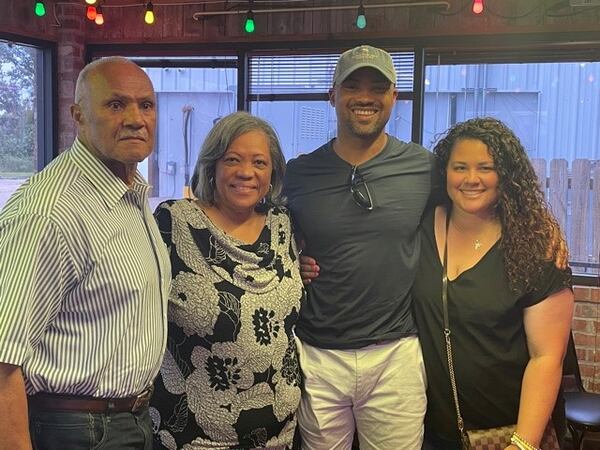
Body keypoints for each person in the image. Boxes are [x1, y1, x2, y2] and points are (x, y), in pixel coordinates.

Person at [0, 56, 171, 450]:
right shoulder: (51, 212)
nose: (135, 118)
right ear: (77, 115)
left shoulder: (128, 189)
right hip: (76, 429)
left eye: (146, 105)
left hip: (130, 418)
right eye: (116, 105)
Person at [283, 45, 434, 450]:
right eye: (352, 85)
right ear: (332, 95)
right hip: (318, 354)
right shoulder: (298, 173)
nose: (365, 96)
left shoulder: (423, 167)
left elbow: (473, 211)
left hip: (395, 354)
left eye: (377, 87)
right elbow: (259, 231)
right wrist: (290, 262)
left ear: (393, 97)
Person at [412, 117, 574, 450]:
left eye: (485, 168)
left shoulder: (534, 248)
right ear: (444, 172)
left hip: (509, 432)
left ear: (506, 176)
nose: (471, 179)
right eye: (460, 167)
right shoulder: (420, 223)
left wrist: (524, 443)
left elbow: (546, 358)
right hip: (431, 430)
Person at [150, 111, 305, 450]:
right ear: (212, 166)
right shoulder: (173, 221)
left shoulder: (284, 225)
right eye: (232, 159)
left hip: (279, 432)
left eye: (259, 163)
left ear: (273, 171)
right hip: (192, 433)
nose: (246, 173)